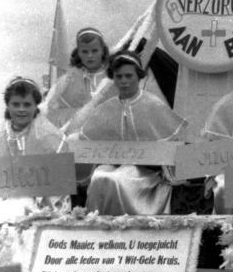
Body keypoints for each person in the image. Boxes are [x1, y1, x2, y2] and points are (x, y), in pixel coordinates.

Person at [73, 50, 187, 216]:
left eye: (128, 76)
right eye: (119, 77)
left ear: (139, 77)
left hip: (146, 172)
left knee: (118, 180)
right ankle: (97, 224)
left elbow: (170, 147)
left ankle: (125, 225)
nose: (124, 81)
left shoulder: (153, 105)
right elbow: (88, 143)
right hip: (113, 165)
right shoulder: (105, 109)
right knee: (99, 176)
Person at [0, 76, 69, 221]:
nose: (21, 110)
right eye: (15, 104)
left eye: (27, 104)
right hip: (3, 195)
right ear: (8, 105)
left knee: (21, 206)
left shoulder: (50, 136)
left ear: (36, 105)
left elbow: (59, 184)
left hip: (42, 202)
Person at [44, 27, 110, 130]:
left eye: (95, 51)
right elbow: (50, 111)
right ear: (78, 53)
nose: (90, 56)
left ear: (102, 50)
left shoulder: (113, 76)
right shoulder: (68, 79)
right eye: (85, 51)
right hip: (71, 132)